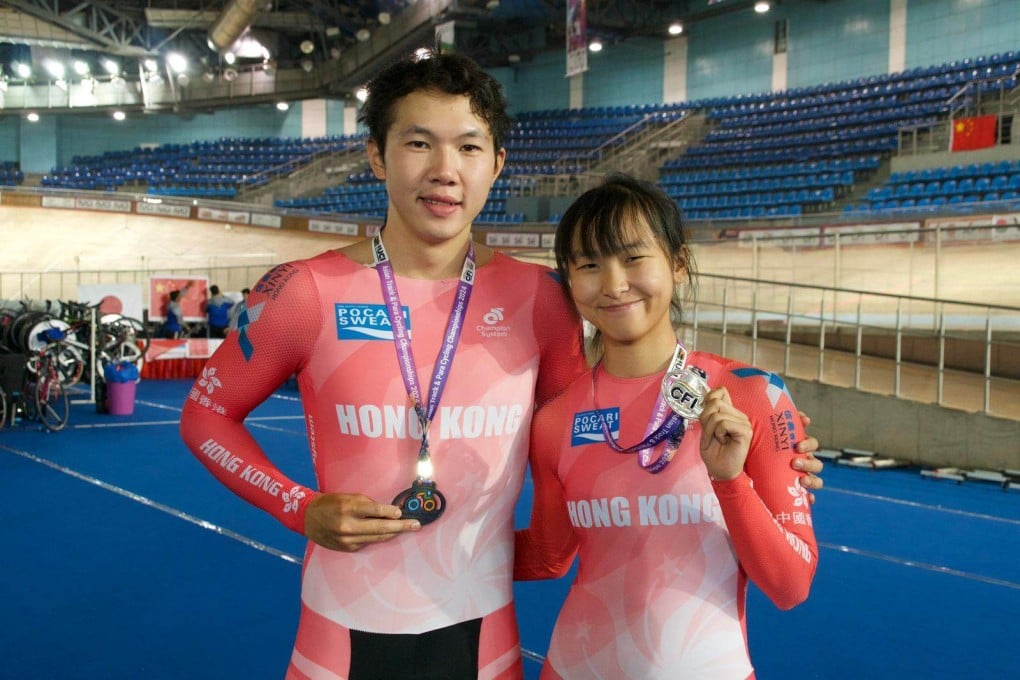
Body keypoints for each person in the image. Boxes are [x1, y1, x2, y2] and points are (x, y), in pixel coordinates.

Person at [179, 51, 824, 679]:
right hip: (339, 630)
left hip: (483, 634)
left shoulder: (540, 299)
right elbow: (207, 416)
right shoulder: (303, 292)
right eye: (418, 143)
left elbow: (594, 442)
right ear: (376, 155)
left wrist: (774, 458)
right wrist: (300, 506)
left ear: (496, 165)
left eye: (467, 147)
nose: (444, 170)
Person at [514, 175, 819, 679]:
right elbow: (549, 556)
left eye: (634, 258)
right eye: (589, 265)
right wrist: (428, 536)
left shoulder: (751, 395)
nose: (613, 284)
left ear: (677, 264)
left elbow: (791, 585)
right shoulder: (553, 420)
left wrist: (730, 482)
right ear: (569, 281)